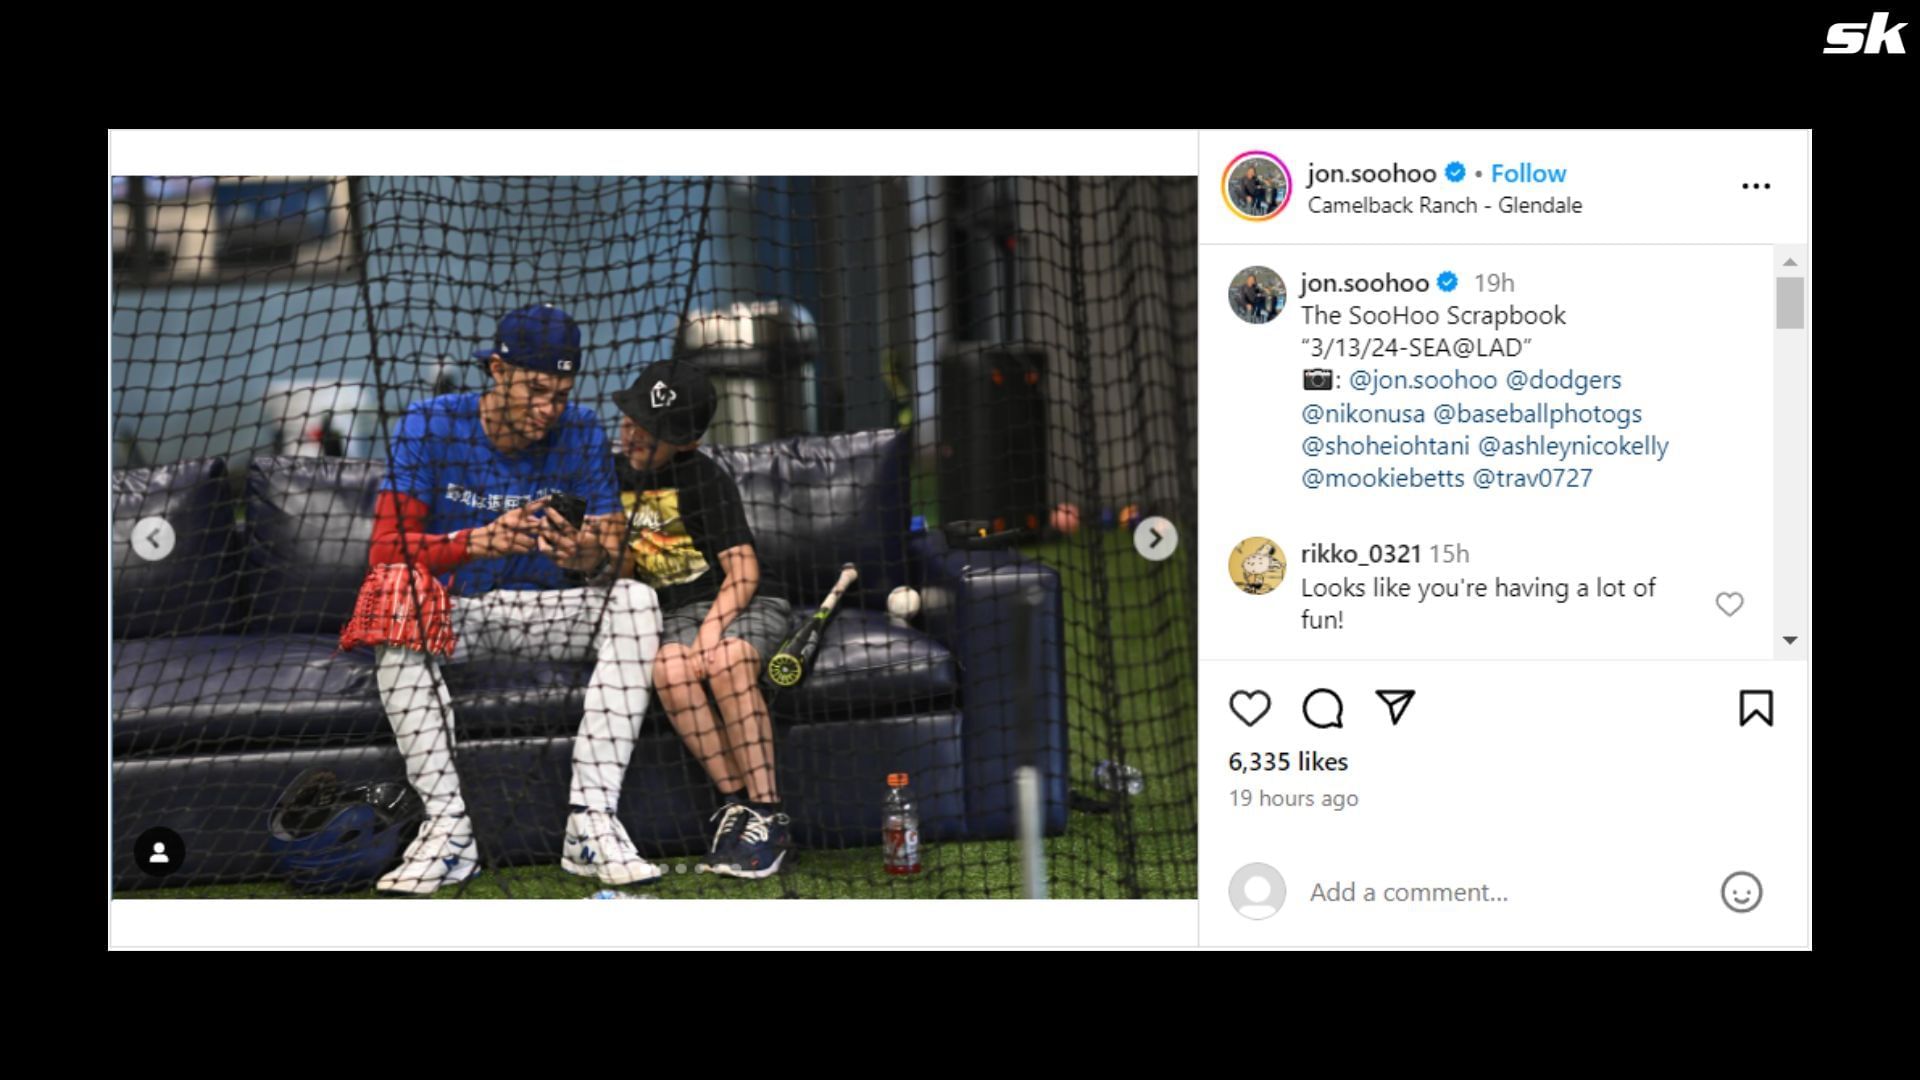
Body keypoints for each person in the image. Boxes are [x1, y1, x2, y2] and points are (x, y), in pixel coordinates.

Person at [362, 303, 665, 895]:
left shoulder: (579, 432)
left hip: (547, 612)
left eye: (561, 393)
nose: (548, 410)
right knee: (394, 600)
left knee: (633, 598)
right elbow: (384, 552)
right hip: (460, 613)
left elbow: (619, 556)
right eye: (535, 389)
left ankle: (590, 822)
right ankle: (448, 830)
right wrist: (478, 541)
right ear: (497, 371)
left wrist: (587, 558)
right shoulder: (431, 422)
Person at [611, 361, 795, 879]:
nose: (634, 435)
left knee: (729, 663)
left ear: (685, 442)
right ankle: (735, 808)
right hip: (674, 611)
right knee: (669, 670)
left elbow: (745, 570)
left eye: (650, 432)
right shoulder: (614, 475)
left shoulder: (705, 478)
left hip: (743, 601)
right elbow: (623, 568)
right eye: (630, 422)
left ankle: (770, 815)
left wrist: (714, 631)